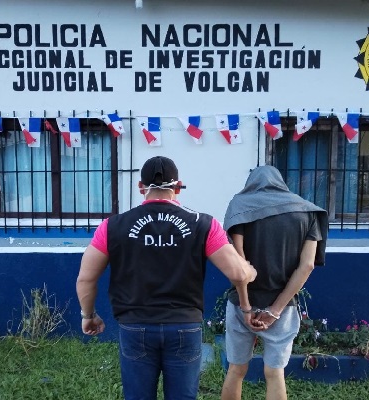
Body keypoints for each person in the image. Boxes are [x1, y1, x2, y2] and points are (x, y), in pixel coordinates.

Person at [76, 155, 257, 400]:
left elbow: (86, 279)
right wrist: (250, 270)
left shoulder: (112, 226)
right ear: (178, 186)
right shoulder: (202, 223)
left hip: (135, 325)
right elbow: (238, 273)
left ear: (141, 188)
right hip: (184, 326)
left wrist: (89, 315)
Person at [220, 165, 329, 400]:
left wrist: (246, 306)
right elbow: (307, 265)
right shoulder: (306, 211)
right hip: (284, 307)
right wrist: (275, 311)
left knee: (236, 369)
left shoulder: (240, 207)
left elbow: (239, 264)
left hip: (241, 303)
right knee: (274, 371)